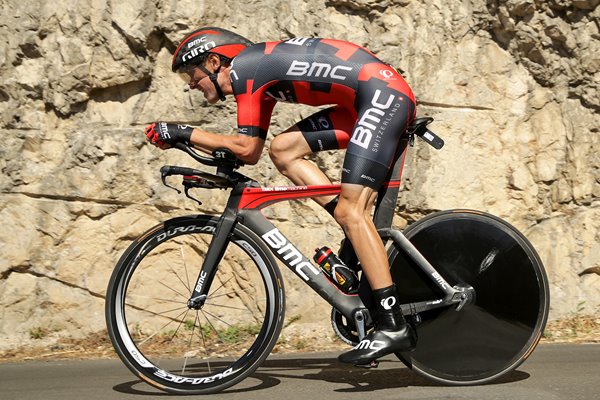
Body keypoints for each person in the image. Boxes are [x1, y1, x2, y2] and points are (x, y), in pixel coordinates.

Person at [145, 27, 417, 364]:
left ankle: (393, 325)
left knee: (353, 213)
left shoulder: (246, 69)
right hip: (370, 98)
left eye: (192, 73)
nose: (190, 83)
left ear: (215, 62)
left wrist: (184, 132)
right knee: (284, 149)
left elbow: (244, 148)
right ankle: (353, 226)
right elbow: (254, 150)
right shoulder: (257, 73)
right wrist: (192, 142)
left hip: (382, 97)